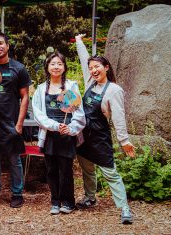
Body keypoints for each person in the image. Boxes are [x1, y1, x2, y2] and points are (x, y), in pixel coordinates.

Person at [75, 34, 136, 224]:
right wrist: (79, 42)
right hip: (83, 135)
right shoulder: (90, 83)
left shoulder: (114, 90)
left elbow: (118, 118)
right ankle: (90, 197)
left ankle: (124, 208)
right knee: (87, 169)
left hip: (100, 138)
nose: (93, 70)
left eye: (97, 67)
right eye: (91, 67)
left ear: (106, 68)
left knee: (110, 173)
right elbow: (84, 59)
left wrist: (124, 141)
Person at [0, 32, 32, 208]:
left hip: (11, 123)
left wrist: (19, 124)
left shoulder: (19, 68)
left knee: (14, 160)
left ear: (8, 46)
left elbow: (25, 97)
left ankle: (17, 193)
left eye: (1, 43)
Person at [32, 52, 85, 215]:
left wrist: (71, 128)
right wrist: (54, 125)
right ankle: (55, 201)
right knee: (51, 170)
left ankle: (68, 202)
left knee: (66, 169)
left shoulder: (71, 86)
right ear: (47, 67)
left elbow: (78, 111)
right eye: (53, 63)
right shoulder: (41, 89)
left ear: (64, 67)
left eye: (59, 64)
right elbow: (38, 114)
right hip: (50, 133)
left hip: (66, 133)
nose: (56, 67)